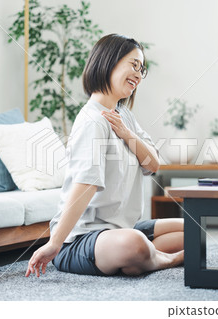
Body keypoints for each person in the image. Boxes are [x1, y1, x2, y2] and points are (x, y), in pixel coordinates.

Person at [25, 34, 184, 278]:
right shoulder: (93, 121)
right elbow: (86, 185)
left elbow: (153, 164)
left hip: (120, 228)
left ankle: (143, 257)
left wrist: (125, 132)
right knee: (134, 244)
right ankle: (165, 258)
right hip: (79, 240)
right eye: (134, 65)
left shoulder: (124, 116)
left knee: (193, 230)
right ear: (109, 61)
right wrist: (55, 243)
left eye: (142, 69)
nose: (139, 75)